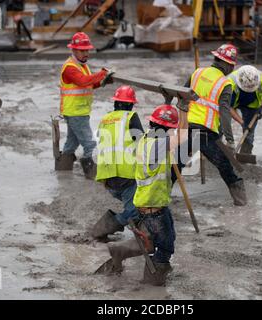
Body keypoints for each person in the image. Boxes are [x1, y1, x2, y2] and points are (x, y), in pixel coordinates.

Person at [97, 104, 188, 286]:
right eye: (170, 130)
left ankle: (120, 251)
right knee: (165, 246)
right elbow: (184, 136)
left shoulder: (145, 140)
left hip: (153, 203)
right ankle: (153, 281)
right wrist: (184, 109)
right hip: (153, 207)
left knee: (157, 239)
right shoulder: (158, 145)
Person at [183, 43, 247, 206]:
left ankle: (156, 201)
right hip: (206, 132)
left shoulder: (197, 73)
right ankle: (241, 202)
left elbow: (182, 93)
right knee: (224, 165)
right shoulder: (225, 83)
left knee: (175, 165)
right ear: (227, 64)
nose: (232, 68)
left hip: (187, 128)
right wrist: (230, 140)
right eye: (232, 65)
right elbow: (225, 113)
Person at [91, 85, 144, 242]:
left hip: (106, 176)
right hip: (126, 174)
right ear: (130, 104)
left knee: (135, 204)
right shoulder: (130, 117)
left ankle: (139, 228)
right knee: (136, 210)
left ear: (115, 103)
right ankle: (102, 229)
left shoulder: (105, 119)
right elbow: (141, 142)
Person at [59, 31, 111, 179]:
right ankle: (91, 173)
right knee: (90, 144)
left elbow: (87, 85)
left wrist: (102, 82)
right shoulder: (70, 67)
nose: (86, 53)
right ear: (73, 50)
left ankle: (62, 169)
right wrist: (101, 74)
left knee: (71, 143)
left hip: (78, 111)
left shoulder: (82, 66)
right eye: (82, 50)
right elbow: (83, 81)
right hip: (76, 112)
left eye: (87, 50)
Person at [225, 65, 262, 154]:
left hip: (252, 105)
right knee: (221, 125)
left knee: (249, 132)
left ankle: (245, 154)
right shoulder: (229, 83)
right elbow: (228, 107)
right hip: (232, 102)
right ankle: (217, 152)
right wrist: (242, 123)